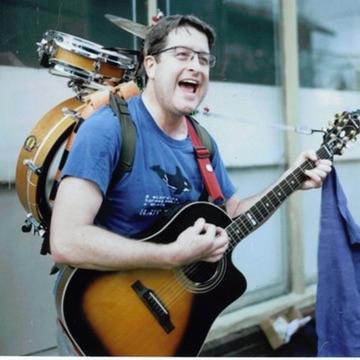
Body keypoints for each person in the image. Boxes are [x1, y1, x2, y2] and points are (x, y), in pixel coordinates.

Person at [50, 14, 332, 355]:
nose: (196, 66)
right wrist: (170, 256)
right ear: (151, 65)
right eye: (183, 55)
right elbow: (66, 241)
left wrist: (290, 180)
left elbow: (233, 214)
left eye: (203, 59)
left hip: (169, 326)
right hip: (102, 312)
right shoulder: (107, 130)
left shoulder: (202, 143)